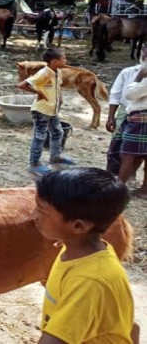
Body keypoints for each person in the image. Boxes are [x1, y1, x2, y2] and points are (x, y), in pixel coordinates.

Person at [32, 168, 139, 344]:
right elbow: (132, 328)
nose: (33, 216)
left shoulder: (90, 280)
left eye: (42, 212)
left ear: (78, 227)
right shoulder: (78, 250)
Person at [17, 48, 77, 176]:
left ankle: (55, 157)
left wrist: (60, 99)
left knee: (57, 132)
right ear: (55, 61)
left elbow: (58, 86)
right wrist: (39, 93)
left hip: (52, 109)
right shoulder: (44, 73)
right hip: (41, 110)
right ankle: (34, 164)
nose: (66, 60)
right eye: (64, 58)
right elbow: (22, 85)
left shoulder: (58, 72)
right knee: (40, 136)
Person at [106, 58, 142, 175]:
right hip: (125, 110)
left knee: (138, 148)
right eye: (145, 53)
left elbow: (131, 93)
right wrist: (111, 117)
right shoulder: (128, 72)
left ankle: (130, 174)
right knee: (116, 143)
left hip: (142, 116)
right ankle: (111, 173)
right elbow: (115, 94)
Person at [117, 63, 147, 196]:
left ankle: (118, 190)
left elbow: (130, 94)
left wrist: (139, 76)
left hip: (141, 121)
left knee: (127, 155)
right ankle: (145, 190)